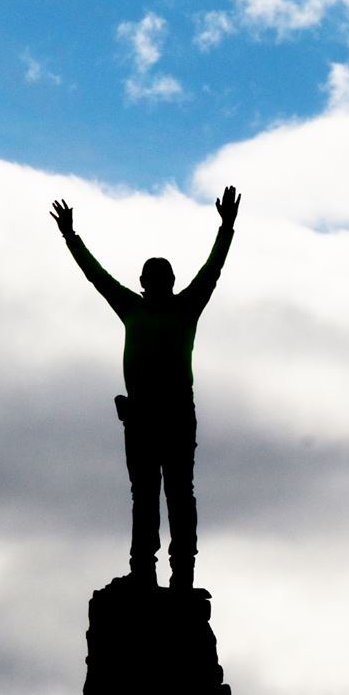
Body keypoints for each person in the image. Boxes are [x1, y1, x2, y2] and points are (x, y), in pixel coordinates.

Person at [50, 186, 239, 590]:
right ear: (144, 282)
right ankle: (144, 570)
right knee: (148, 495)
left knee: (176, 495)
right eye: (152, 278)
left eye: (162, 278)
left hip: (173, 415)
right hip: (141, 416)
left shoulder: (184, 307)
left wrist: (226, 229)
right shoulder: (132, 307)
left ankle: (181, 573)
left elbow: (212, 271)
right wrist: (71, 237)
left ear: (169, 282)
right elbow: (96, 275)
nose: (156, 283)